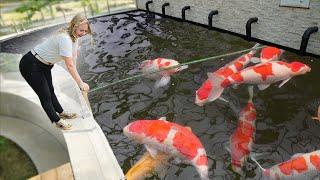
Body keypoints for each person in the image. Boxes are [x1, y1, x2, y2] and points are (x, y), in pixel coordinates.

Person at [19, 14, 91, 130]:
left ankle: (61, 112)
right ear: (74, 26)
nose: (83, 33)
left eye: (85, 31)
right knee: (45, 95)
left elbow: (73, 61)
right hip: (31, 64)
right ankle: (57, 121)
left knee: (50, 90)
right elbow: (69, 65)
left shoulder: (74, 38)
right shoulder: (65, 38)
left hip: (44, 65)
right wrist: (80, 83)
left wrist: (78, 81)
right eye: (81, 30)